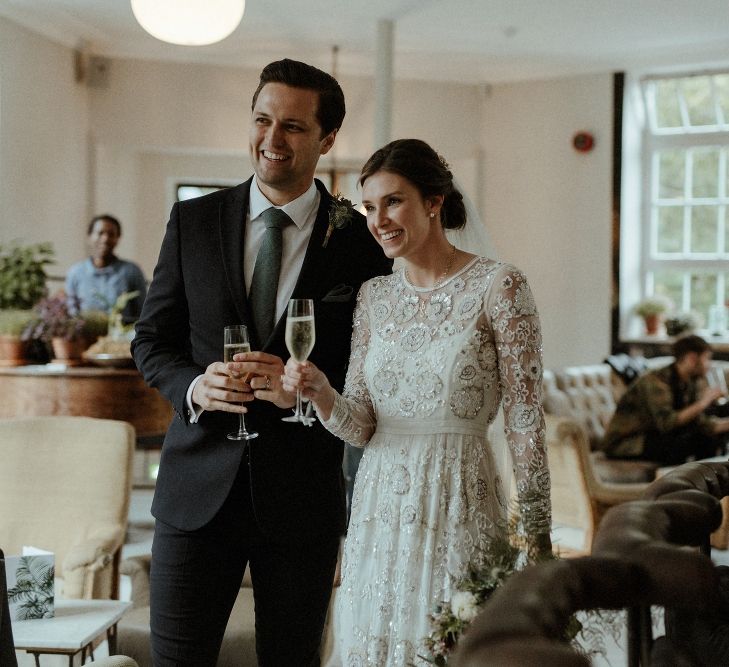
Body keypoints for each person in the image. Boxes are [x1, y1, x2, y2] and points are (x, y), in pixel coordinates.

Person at [131, 59, 391, 666]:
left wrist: (308, 392)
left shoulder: (361, 241)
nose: (272, 140)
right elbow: (151, 341)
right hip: (194, 496)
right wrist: (195, 386)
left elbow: (376, 367)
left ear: (327, 141)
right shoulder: (193, 220)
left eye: (294, 127)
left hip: (302, 502)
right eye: (262, 120)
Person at [282, 138, 553, 666]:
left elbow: (524, 420)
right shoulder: (374, 296)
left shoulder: (500, 286)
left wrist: (538, 538)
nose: (378, 219)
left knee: (450, 646)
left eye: (394, 201)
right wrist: (321, 393)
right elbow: (360, 426)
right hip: (379, 511)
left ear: (434, 201)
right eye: (370, 206)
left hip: (460, 501)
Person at [603, 334, 729, 466]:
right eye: (707, 359)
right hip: (629, 441)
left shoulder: (690, 381)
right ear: (692, 358)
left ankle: (710, 483)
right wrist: (703, 402)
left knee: (708, 437)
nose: (709, 365)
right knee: (683, 443)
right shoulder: (656, 381)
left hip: (656, 435)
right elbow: (666, 423)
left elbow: (699, 422)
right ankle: (683, 484)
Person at [65, 214, 147, 322]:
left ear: (118, 238)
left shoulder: (132, 271)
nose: (105, 238)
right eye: (100, 233)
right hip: (85, 337)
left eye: (111, 234)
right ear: (90, 236)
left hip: (122, 337)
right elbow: (72, 315)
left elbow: (143, 314)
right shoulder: (75, 273)